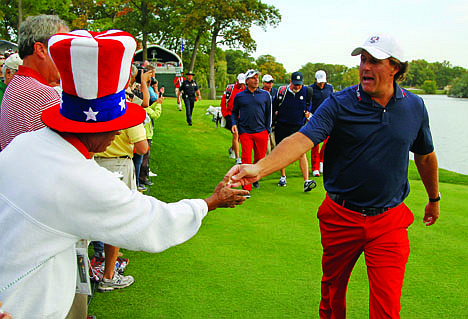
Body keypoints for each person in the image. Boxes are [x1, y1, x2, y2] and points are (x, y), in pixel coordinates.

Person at [0, 29, 248, 319]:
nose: (119, 130)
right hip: (28, 308)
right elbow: (153, 221)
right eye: (115, 123)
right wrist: (211, 201)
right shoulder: (81, 180)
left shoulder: (25, 144)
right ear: (92, 125)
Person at [227, 33, 440, 319]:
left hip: (389, 220)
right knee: (332, 294)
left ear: (395, 67)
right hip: (341, 217)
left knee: (387, 307)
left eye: (374, 61)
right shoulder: (339, 103)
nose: (365, 67)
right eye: (362, 60)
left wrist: (434, 198)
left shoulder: (414, 106)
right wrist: (259, 168)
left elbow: (425, 155)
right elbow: (302, 139)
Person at [0, 14, 69, 150]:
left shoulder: (16, 84)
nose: (68, 57)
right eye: (63, 49)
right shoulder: (43, 94)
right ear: (41, 50)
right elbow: (68, 155)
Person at [272, 71, 315, 192]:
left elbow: (308, 107)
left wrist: (308, 113)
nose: (297, 87)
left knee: (301, 152)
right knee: (281, 151)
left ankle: (306, 181)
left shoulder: (307, 92)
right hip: (282, 125)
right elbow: (274, 106)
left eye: (299, 84)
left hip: (298, 126)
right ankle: (283, 176)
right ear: (290, 82)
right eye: (295, 84)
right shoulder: (282, 92)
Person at [231, 69, 272, 193]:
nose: (256, 80)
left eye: (257, 78)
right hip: (245, 132)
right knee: (246, 159)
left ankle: (254, 178)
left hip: (261, 131)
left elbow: (268, 113)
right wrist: (234, 124)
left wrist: (267, 129)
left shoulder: (265, 95)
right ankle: (246, 188)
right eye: (253, 78)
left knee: (260, 158)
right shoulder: (240, 96)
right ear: (247, 81)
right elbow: (233, 112)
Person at [309, 70, 334, 177]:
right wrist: (308, 114)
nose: (321, 84)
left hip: (328, 118)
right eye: (319, 82)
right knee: (315, 143)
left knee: (328, 142)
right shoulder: (310, 89)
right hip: (314, 118)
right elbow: (308, 104)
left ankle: (321, 162)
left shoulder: (330, 88)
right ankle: (315, 167)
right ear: (315, 80)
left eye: (323, 82)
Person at [220, 73, 245, 165]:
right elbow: (223, 104)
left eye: (243, 83)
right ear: (237, 80)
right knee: (236, 135)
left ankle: (232, 149)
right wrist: (226, 115)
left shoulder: (246, 89)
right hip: (231, 116)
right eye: (240, 83)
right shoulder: (230, 89)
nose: (242, 85)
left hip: (242, 116)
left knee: (239, 137)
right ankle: (238, 158)